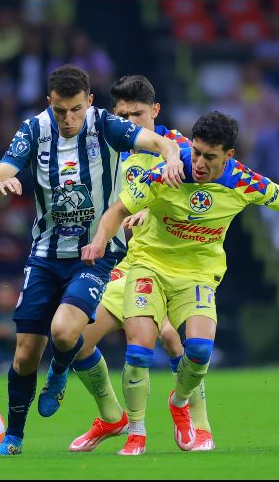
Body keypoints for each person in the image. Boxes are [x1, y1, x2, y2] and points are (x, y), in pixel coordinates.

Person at [82, 111, 279, 455]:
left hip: (197, 275)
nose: (199, 162)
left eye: (209, 157)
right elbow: (117, 211)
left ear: (229, 155)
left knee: (199, 352)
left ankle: (179, 400)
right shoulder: (167, 172)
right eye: (196, 152)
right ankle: (136, 433)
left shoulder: (244, 181)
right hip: (148, 266)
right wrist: (99, 242)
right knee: (139, 349)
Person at [0, 64, 184, 456]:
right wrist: (0, 183)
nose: (69, 119)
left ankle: (58, 374)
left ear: (89, 102)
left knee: (63, 332)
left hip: (96, 255)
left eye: (76, 109)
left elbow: (159, 142)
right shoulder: (33, 131)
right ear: (49, 103)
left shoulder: (106, 125)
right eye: (60, 111)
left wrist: (172, 156)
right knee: (25, 354)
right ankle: (14, 438)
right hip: (44, 256)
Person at [65, 75, 215, 453]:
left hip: (163, 263)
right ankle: (111, 416)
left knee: (171, 337)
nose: (130, 123)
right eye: (122, 115)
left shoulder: (178, 148)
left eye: (138, 114)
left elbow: (199, 198)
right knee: (76, 342)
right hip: (119, 263)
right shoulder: (106, 147)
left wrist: (152, 210)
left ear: (155, 111)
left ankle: (198, 422)